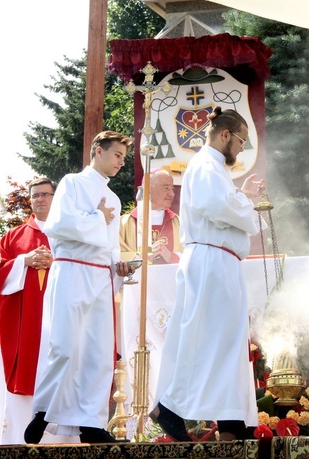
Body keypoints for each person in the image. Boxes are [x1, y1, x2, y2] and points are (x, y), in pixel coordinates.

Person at [151, 107, 265, 441]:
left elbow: (225, 205)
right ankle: (169, 409)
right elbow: (220, 208)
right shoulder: (204, 165)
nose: (242, 149)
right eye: (241, 140)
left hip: (221, 261)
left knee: (226, 344)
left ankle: (231, 422)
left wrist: (243, 198)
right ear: (225, 134)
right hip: (211, 260)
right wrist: (247, 202)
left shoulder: (214, 168)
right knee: (207, 340)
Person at [24, 131, 135, 444]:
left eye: (124, 158)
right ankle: (42, 413)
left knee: (98, 353)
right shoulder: (72, 183)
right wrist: (98, 218)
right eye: (116, 155)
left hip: (100, 277)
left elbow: (111, 247)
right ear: (98, 151)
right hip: (72, 270)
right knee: (64, 346)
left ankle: (91, 423)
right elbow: (60, 226)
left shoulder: (113, 199)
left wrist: (120, 267)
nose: (120, 163)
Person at [0, 178, 77, 445]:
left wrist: (57, 261)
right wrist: (23, 262)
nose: (40, 199)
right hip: (23, 327)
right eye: (35, 195)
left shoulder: (69, 234)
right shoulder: (13, 237)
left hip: (60, 323)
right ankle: (15, 440)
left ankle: (61, 444)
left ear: (55, 197)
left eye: (46, 195)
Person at [119, 169, 182, 264]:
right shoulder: (124, 224)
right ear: (148, 189)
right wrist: (142, 258)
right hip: (138, 278)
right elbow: (114, 256)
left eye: (172, 188)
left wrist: (172, 257)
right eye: (166, 188)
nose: (172, 194)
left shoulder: (180, 223)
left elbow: (191, 255)